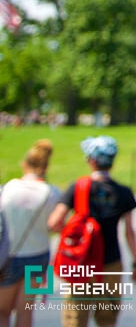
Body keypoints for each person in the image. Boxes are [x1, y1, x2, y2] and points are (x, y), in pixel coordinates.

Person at [48, 136, 136, 327]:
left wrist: (72, 235)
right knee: (107, 319)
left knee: (75, 318)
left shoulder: (78, 187)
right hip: (111, 262)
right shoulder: (123, 192)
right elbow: (129, 232)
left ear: (91, 161)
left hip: (82, 262)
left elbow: (54, 222)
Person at [0, 140, 59, 327]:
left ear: (25, 163)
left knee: (2, 311)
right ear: (46, 166)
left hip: (9, 256)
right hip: (39, 256)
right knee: (26, 310)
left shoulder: (8, 188)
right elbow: (56, 226)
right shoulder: (53, 193)